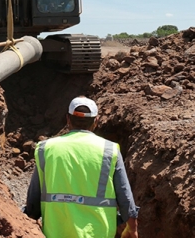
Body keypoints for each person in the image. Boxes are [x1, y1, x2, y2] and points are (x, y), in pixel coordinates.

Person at [25, 96, 139, 238]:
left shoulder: (46, 148)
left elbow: (34, 199)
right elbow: (124, 195)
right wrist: (132, 227)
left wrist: (30, 218)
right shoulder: (109, 150)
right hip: (98, 233)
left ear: (68, 119)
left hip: (55, 232)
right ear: (96, 121)